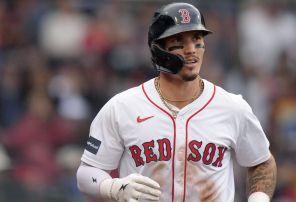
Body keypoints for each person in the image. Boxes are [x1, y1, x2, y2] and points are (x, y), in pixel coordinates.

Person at [76, 2, 277, 202]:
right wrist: (113, 187)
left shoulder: (232, 107)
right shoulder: (122, 107)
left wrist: (258, 198)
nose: (191, 50)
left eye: (196, 39)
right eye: (179, 42)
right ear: (158, 50)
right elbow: (88, 172)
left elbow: (261, 162)